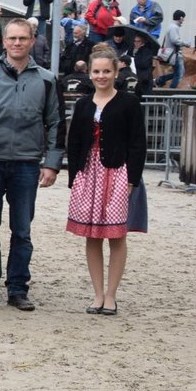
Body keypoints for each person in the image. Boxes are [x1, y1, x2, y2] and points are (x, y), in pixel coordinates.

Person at [0, 17, 63, 312]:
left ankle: (18, 289)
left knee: (22, 231)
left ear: (32, 41)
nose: (17, 43)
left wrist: (51, 163)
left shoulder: (47, 80)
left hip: (26, 163)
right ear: (4, 41)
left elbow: (55, 122)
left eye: (23, 38)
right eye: (12, 38)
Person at [65, 46, 146, 315]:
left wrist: (132, 179)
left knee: (116, 235)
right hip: (89, 173)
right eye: (97, 71)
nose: (101, 76)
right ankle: (97, 294)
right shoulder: (83, 104)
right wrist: (75, 177)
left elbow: (138, 143)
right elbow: (75, 142)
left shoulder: (129, 102)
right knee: (92, 235)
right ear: (89, 73)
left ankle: (111, 295)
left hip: (118, 172)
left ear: (116, 72)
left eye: (106, 71)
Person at [158, 9, 187, 89]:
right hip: (175, 54)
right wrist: (185, 43)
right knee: (179, 74)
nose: (183, 20)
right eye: (183, 18)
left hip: (172, 53)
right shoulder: (174, 27)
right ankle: (170, 90)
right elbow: (175, 40)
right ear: (181, 18)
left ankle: (161, 80)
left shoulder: (172, 26)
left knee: (178, 73)